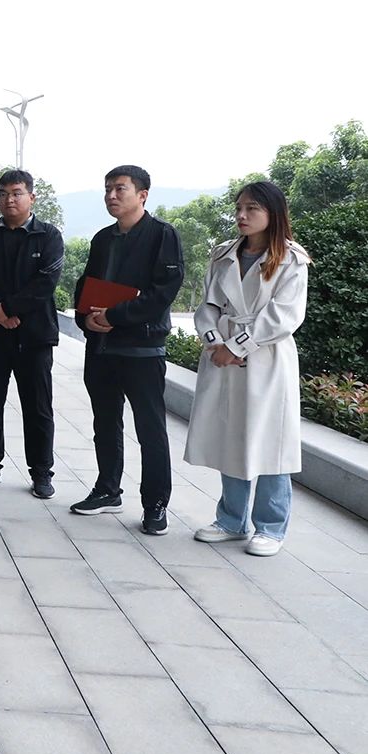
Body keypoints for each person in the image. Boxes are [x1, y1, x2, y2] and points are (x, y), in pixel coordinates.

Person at [185, 181, 310, 557]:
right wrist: (214, 343)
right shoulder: (223, 254)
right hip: (222, 354)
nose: (242, 215)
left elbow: (284, 316)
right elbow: (207, 306)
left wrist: (237, 346)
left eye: (252, 208)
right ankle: (231, 520)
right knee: (231, 435)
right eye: (239, 207)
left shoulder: (291, 260)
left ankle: (271, 526)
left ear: (273, 213)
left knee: (271, 440)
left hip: (267, 359)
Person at [69, 164, 184, 535]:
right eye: (107, 189)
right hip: (102, 347)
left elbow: (163, 292)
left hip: (142, 349)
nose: (111, 196)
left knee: (150, 429)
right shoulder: (103, 238)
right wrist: (85, 318)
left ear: (142, 195)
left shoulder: (162, 235)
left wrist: (115, 316)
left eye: (120, 188)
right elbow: (86, 284)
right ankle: (107, 490)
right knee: (105, 422)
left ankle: (155, 504)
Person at [0, 169, 65, 498]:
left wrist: (6, 309)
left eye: (17, 193)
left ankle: (41, 472)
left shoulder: (48, 236)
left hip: (34, 337)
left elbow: (45, 283)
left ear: (31, 197)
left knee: (37, 406)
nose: (9, 199)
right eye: (4, 193)